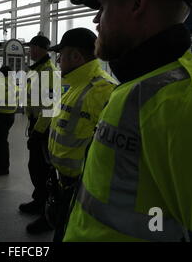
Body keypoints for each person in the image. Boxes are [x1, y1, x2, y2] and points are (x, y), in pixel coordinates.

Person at [64, 0, 192, 242]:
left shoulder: (189, 97)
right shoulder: (144, 85)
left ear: (137, 1)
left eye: (102, 7)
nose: (96, 20)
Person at [47, 28, 117, 241]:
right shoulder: (76, 86)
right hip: (65, 184)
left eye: (61, 55)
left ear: (76, 57)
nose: (58, 60)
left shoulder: (103, 91)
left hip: (83, 190)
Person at [19, 35, 58, 235]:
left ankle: (47, 210)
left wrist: (39, 130)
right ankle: (39, 199)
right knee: (34, 164)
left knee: (43, 167)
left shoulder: (49, 72)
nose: (30, 51)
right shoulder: (37, 70)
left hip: (45, 125)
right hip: (36, 122)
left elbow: (50, 106)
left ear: (43, 49)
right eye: (30, 48)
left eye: (33, 48)